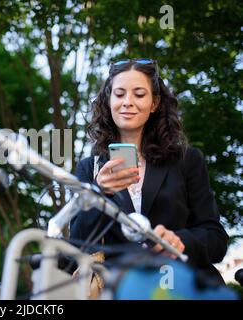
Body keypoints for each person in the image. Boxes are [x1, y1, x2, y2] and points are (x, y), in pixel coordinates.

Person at [69, 58, 228, 284]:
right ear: (108, 101)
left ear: (154, 103)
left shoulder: (186, 160)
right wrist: (99, 192)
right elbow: (78, 246)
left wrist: (180, 240)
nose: (128, 102)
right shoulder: (89, 168)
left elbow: (216, 240)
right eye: (120, 93)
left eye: (139, 94)